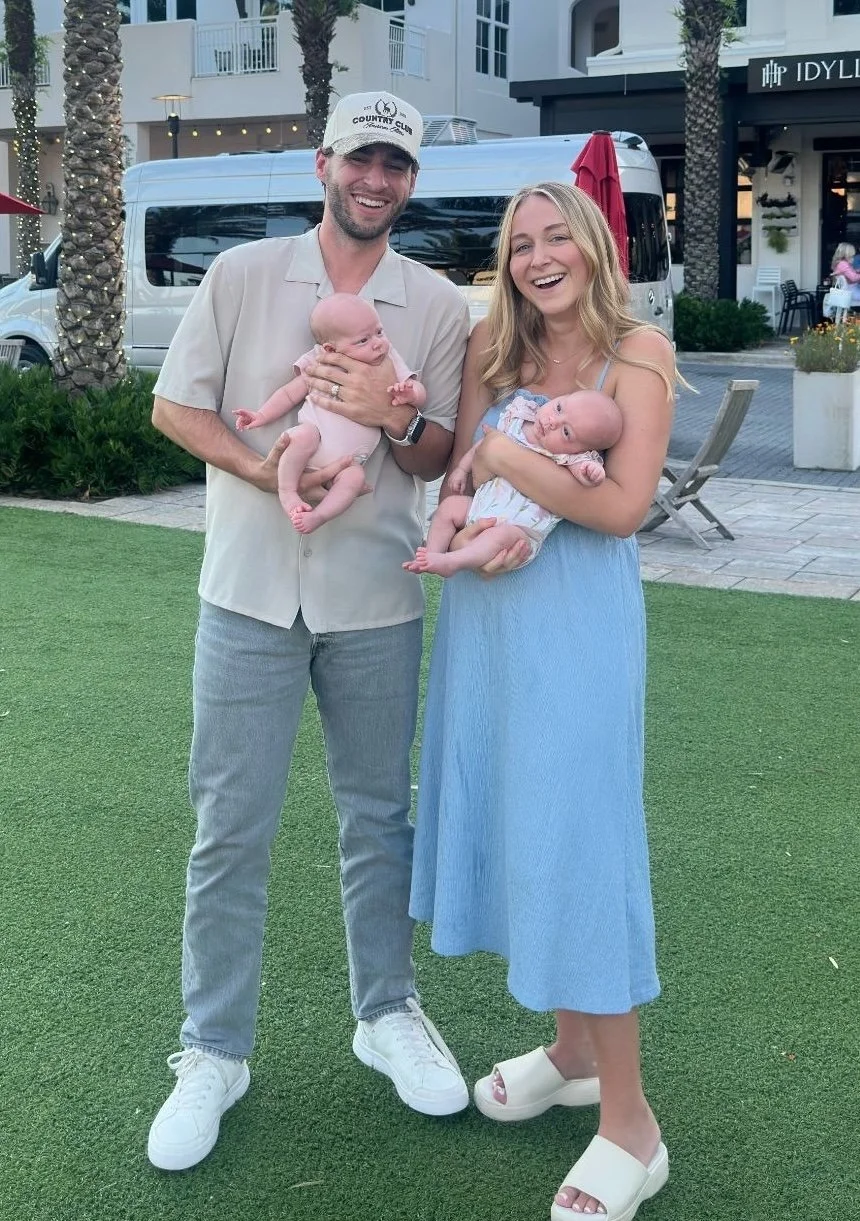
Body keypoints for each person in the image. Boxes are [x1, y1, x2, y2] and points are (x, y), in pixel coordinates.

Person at [146, 90, 472, 1173]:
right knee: (228, 827)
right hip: (244, 594)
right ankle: (212, 1052)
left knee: (378, 819)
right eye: (360, 158)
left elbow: (434, 455)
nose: (376, 179)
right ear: (322, 163)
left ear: (410, 182)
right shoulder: (242, 277)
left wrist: (393, 421)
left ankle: (385, 1015)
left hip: (376, 597)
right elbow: (176, 407)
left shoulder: (434, 304)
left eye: (397, 164)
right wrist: (264, 464)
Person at [408, 180, 679, 1221]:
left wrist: (505, 456)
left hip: (573, 629)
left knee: (577, 843)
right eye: (518, 243)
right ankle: (569, 1054)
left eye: (553, 234)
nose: (535, 256)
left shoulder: (638, 355)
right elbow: (458, 483)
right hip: (484, 619)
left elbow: (618, 507)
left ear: (593, 243)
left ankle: (630, 1127)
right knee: (522, 830)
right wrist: (463, 507)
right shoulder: (496, 351)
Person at [233, 293, 426, 533]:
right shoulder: (321, 360)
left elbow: (417, 389)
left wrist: (411, 394)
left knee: (354, 479)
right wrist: (260, 415)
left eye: (379, 332)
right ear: (330, 348)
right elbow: (289, 394)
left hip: (348, 461)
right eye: (362, 340)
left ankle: (318, 517)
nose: (377, 343)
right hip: (315, 441)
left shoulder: (387, 359)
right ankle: (288, 492)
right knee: (301, 436)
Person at [403, 388, 621, 577]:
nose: (552, 422)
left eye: (566, 432)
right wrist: (461, 469)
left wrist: (592, 473)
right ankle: (433, 554)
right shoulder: (518, 420)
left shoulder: (568, 456)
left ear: (581, 449)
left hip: (519, 529)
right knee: (449, 507)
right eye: (559, 408)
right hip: (483, 507)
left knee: (500, 537)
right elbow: (482, 446)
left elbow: (584, 474)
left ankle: (453, 562)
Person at [830, 242, 860, 308]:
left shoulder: (841, 263)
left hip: (849, 290)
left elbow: (850, 273)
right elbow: (854, 278)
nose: (853, 255)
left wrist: (857, 271)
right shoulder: (843, 264)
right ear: (846, 254)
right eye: (852, 254)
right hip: (851, 292)